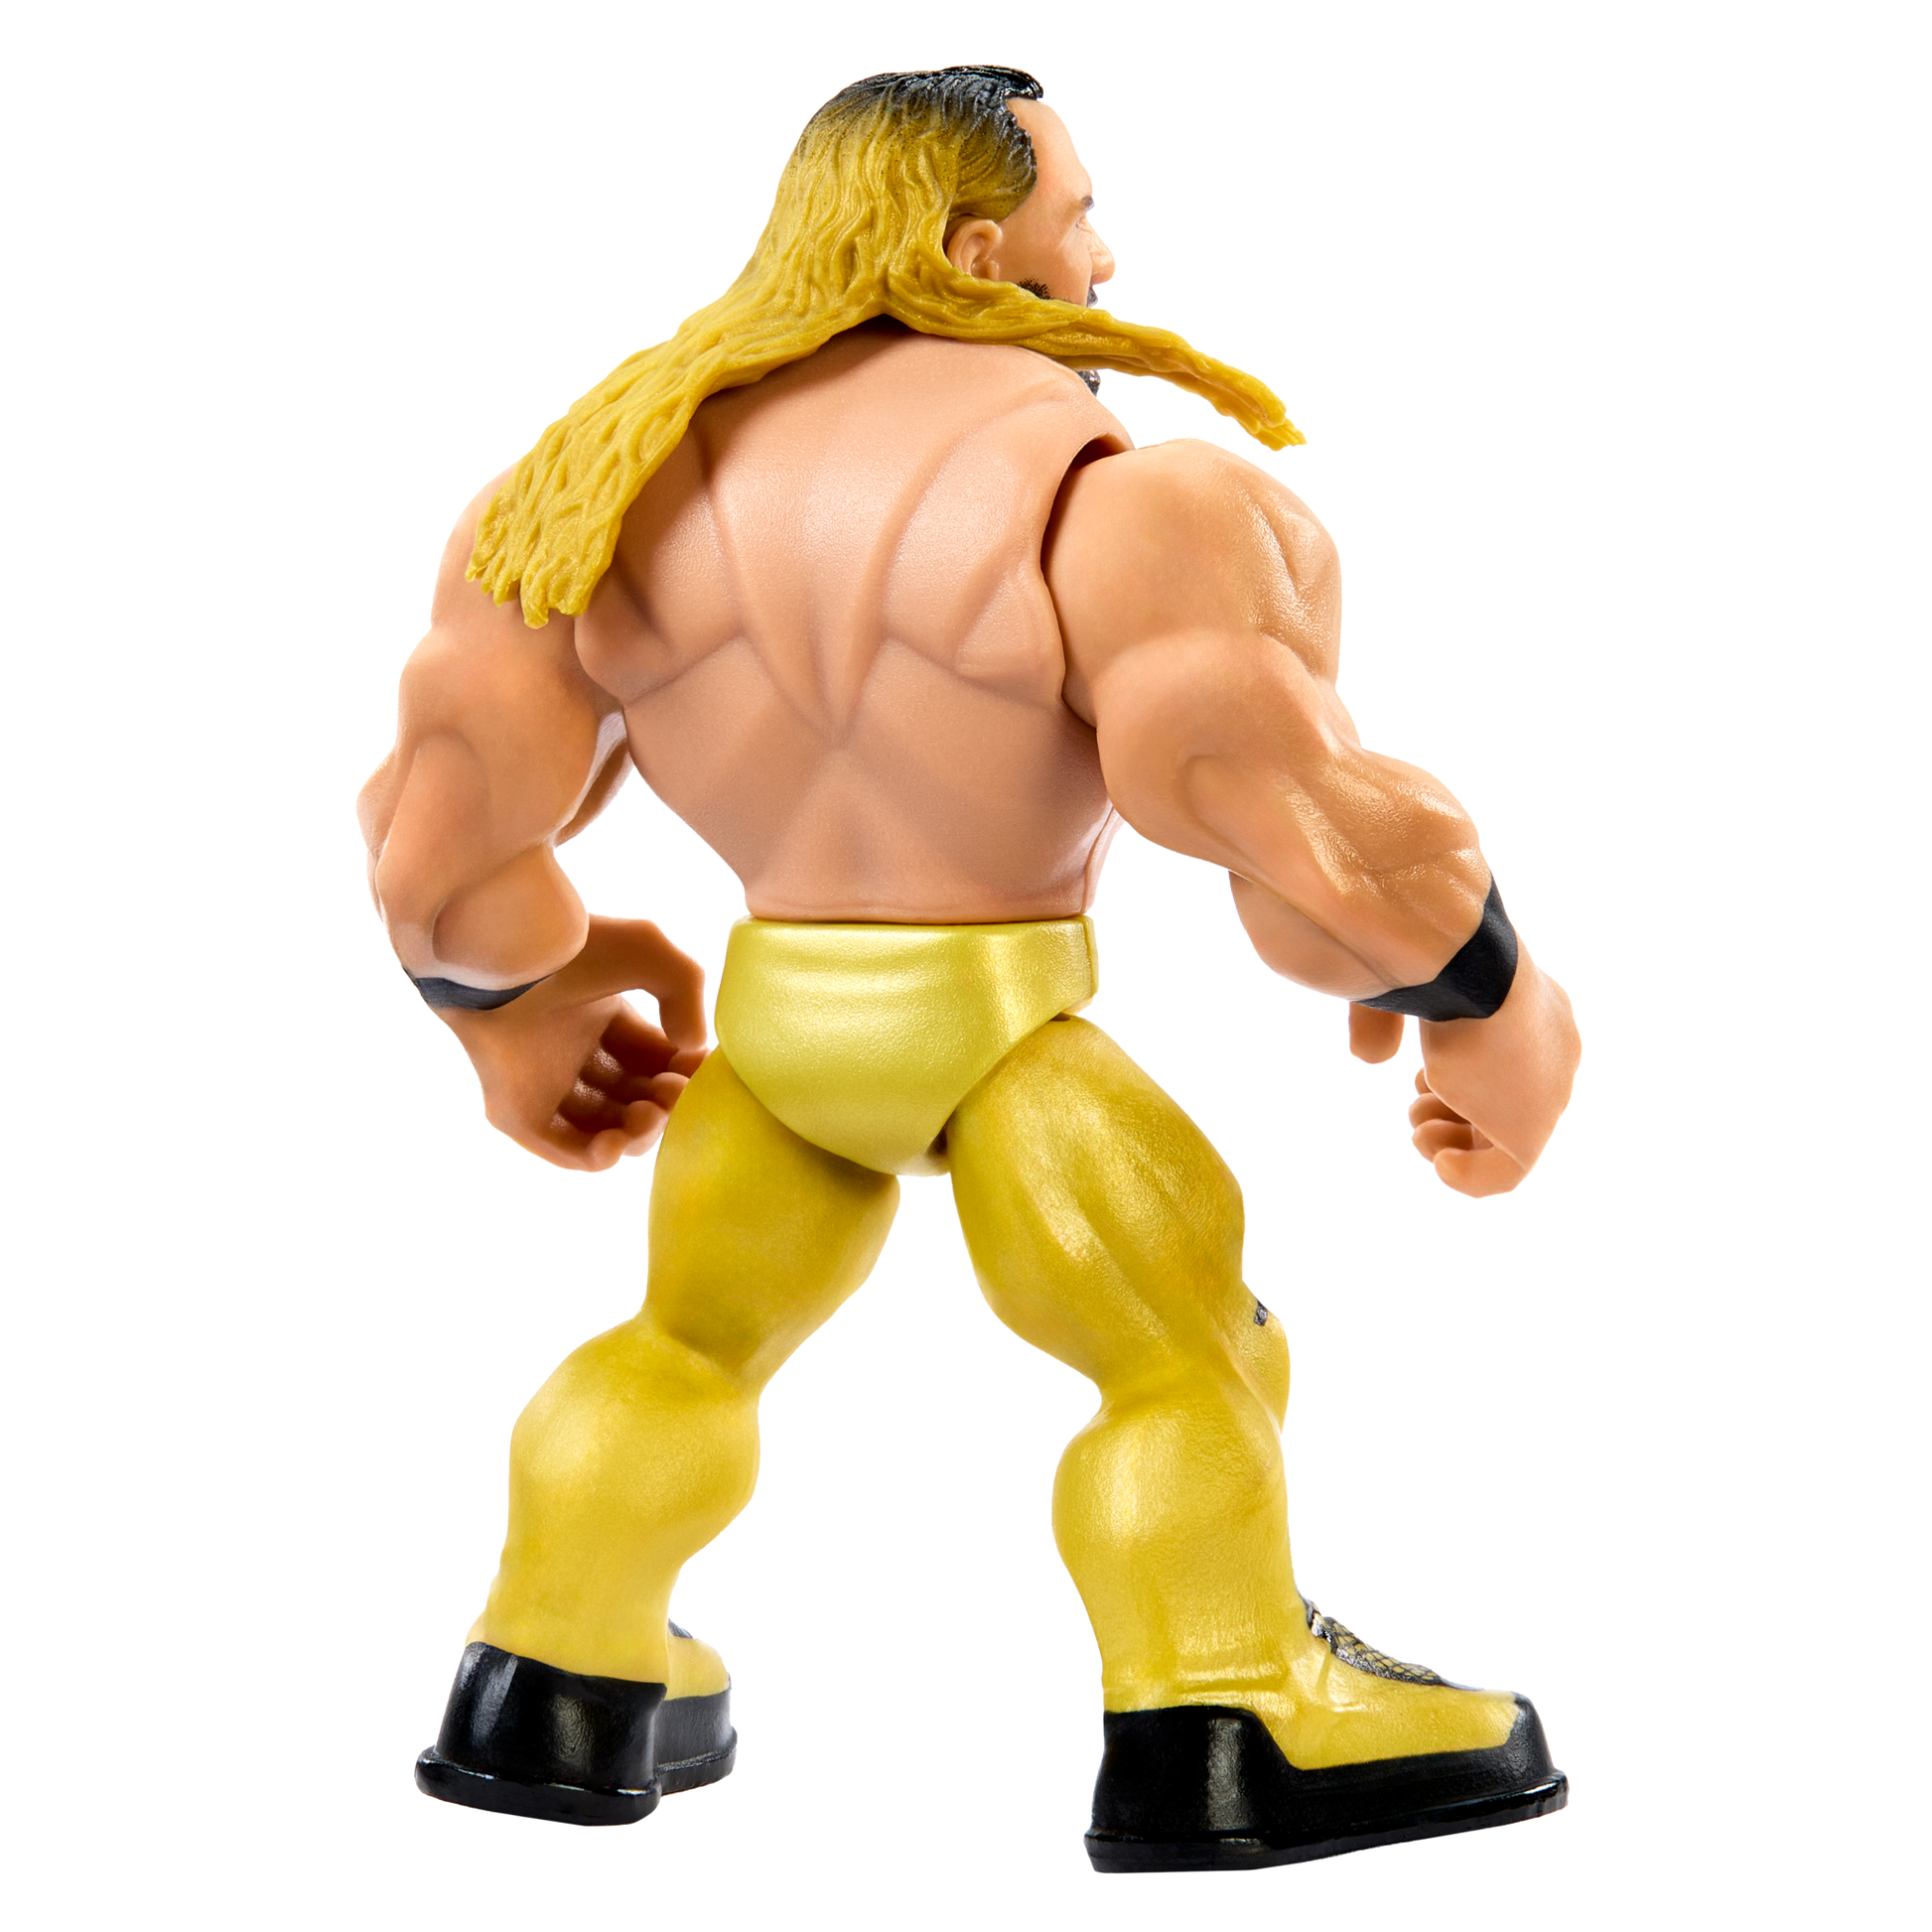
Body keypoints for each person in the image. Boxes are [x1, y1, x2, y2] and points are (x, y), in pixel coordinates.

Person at [357, 66, 1582, 1871]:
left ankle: (554, 1664)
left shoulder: (593, 486)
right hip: (999, 1039)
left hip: (779, 1041)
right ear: (971, 247)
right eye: (1082, 219)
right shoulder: (1116, 498)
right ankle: (1226, 1702)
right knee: (1191, 1354)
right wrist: (1494, 1001)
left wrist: (510, 1009)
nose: (1105, 264)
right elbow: (1287, 825)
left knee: (684, 1340)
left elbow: (441, 850)